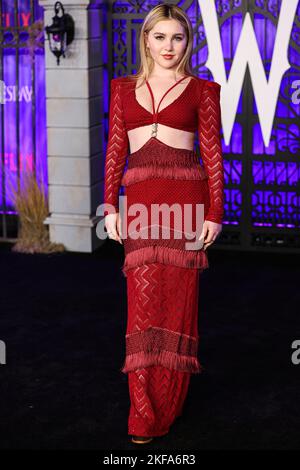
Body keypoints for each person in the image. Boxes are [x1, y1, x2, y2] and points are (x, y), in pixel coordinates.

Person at [103, 4, 224, 445]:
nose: (168, 46)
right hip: (139, 208)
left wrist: (214, 213)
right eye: (160, 37)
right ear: (147, 40)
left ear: (187, 42)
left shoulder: (202, 90)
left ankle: (167, 403)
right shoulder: (121, 90)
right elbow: (116, 151)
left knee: (176, 304)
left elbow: (212, 155)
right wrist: (109, 207)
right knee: (141, 306)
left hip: (186, 206)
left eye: (177, 38)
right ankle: (142, 410)